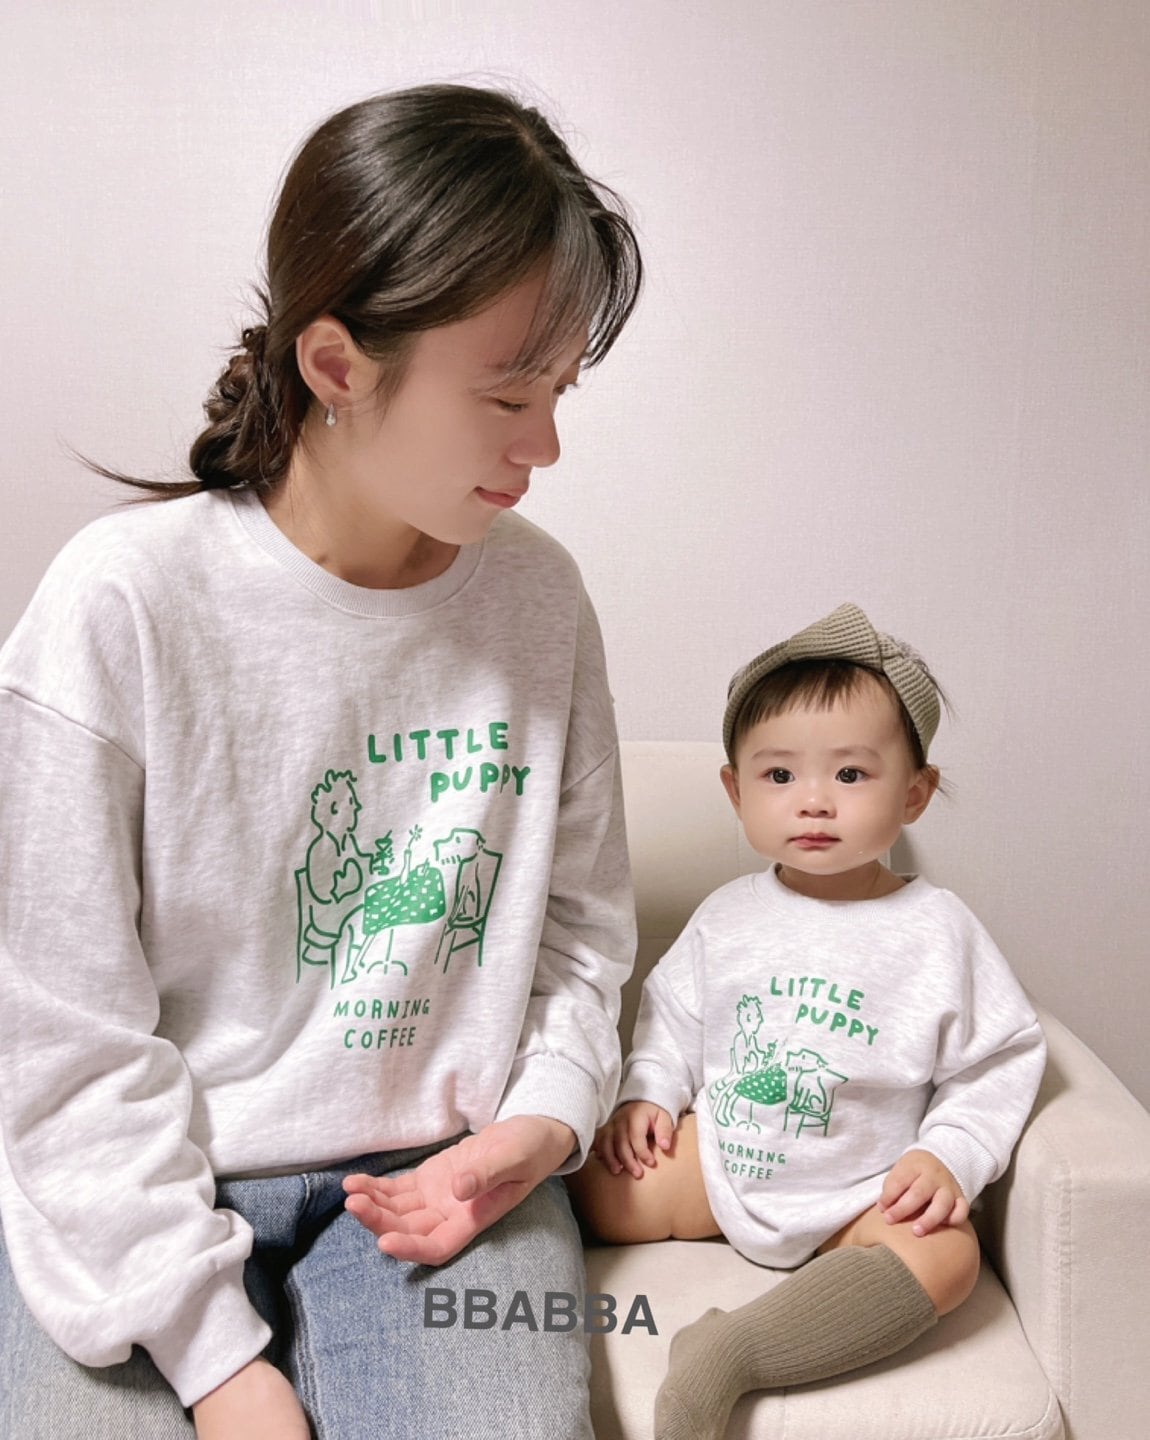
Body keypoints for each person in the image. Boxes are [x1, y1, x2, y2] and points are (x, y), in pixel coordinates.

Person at [0, 84, 642, 1440]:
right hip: (143, 1180)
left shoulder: (538, 601)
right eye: (506, 394)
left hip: (447, 1182)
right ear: (338, 365)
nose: (545, 446)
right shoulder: (120, 605)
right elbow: (56, 1033)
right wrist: (216, 1364)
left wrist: (541, 1122)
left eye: (560, 392)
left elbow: (581, 940)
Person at [567, 603, 1046, 1440]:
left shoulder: (938, 931)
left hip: (862, 1190)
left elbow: (996, 1061)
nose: (814, 802)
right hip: (724, 1159)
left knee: (947, 1257)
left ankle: (732, 1352)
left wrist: (950, 1153)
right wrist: (648, 1094)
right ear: (736, 791)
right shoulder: (727, 916)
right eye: (780, 776)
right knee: (583, 1169)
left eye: (851, 776)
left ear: (915, 793)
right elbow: (672, 1023)